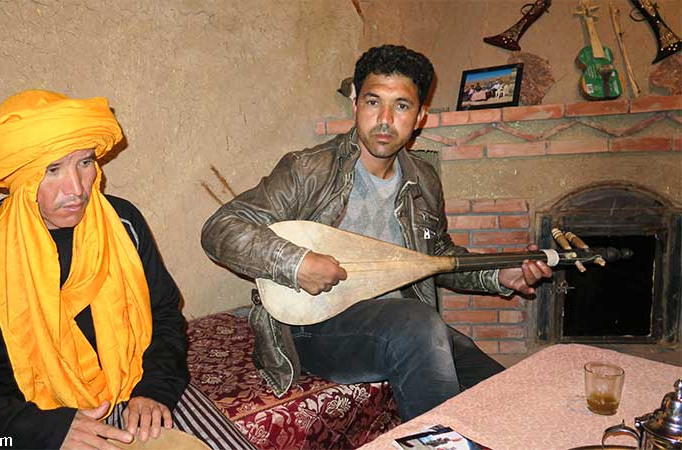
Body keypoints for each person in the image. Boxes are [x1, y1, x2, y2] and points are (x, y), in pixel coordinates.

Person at [0, 90, 254, 450]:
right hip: (24, 423)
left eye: (86, 162)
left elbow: (163, 315)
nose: (76, 188)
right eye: (53, 169)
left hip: (134, 389)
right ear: (20, 179)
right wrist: (38, 429)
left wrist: (155, 388)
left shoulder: (122, 222)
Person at [200, 45, 552, 421]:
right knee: (419, 323)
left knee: (509, 397)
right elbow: (220, 229)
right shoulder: (308, 169)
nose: (384, 119)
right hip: (310, 327)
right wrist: (296, 262)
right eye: (373, 102)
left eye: (401, 106)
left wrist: (498, 275)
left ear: (420, 117)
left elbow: (437, 255)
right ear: (355, 103)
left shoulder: (424, 180)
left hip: (402, 321)